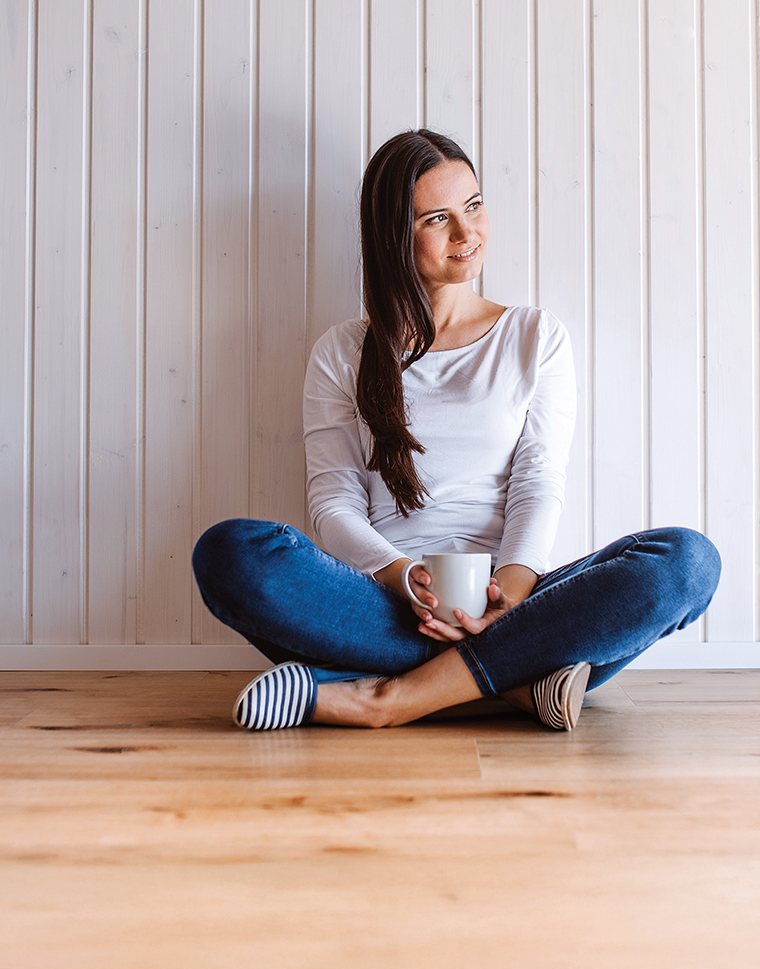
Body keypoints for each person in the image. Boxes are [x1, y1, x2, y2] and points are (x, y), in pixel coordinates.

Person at [193, 129, 720, 732]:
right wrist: (403, 579)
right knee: (231, 553)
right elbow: (333, 501)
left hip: (514, 602)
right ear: (394, 235)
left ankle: (386, 699)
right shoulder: (342, 352)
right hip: (384, 602)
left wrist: (514, 592)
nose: (467, 234)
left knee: (687, 562)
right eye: (437, 218)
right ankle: (520, 684)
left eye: (473, 206)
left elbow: (537, 480)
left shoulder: (534, 337)